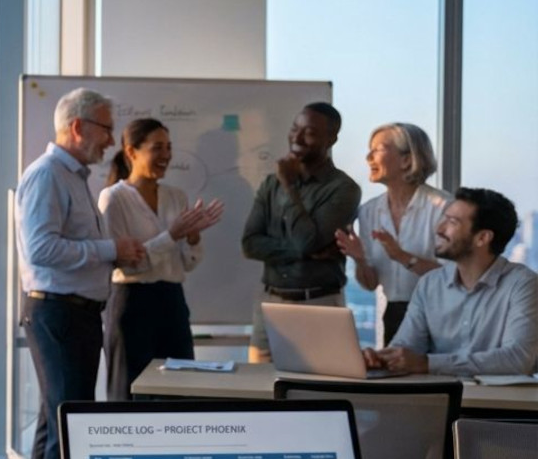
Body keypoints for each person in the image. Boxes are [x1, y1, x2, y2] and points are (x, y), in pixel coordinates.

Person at [15, 87, 145, 459]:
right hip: (58, 313)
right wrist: (110, 249)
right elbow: (41, 249)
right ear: (77, 127)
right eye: (106, 129)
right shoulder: (47, 175)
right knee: (68, 424)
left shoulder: (71, 177)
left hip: (74, 314)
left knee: (54, 422)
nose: (110, 140)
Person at [99, 119, 224, 398]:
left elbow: (188, 263)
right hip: (131, 303)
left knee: (180, 391)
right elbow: (126, 264)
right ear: (131, 152)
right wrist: (172, 235)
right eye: (157, 148)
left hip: (172, 301)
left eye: (169, 147)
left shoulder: (175, 196)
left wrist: (192, 237)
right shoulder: (114, 198)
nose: (166, 155)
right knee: (127, 392)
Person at [365, 187, 538, 377]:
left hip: (497, 396)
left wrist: (428, 364)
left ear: (482, 238)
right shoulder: (430, 284)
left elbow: (517, 359)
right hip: (440, 395)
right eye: (444, 218)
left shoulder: (522, 285)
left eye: (452, 222)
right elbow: (405, 348)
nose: (439, 229)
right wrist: (379, 358)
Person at [242, 102, 362, 362]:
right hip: (270, 302)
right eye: (295, 128)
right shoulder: (270, 183)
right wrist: (303, 252)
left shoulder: (343, 188)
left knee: (319, 384)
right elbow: (250, 243)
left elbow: (306, 241)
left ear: (331, 139)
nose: (296, 138)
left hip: (319, 303)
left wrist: (289, 187)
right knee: (258, 383)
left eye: (309, 132)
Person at [335, 123, 450, 344]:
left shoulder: (443, 207)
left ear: (407, 160)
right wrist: (360, 259)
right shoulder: (369, 211)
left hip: (438, 315)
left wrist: (403, 257)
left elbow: (454, 277)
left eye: (377, 149)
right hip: (394, 315)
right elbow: (371, 284)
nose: (368, 158)